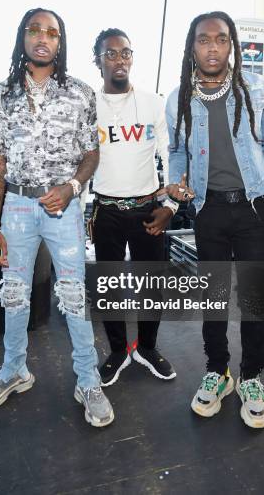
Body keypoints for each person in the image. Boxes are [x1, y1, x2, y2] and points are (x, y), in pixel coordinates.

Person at [0, 8, 114, 427]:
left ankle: (87, 380)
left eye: (51, 32)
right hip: (15, 208)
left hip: (64, 207)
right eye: (35, 30)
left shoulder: (80, 93)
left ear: (60, 42)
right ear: (23, 38)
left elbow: (92, 152)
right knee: (14, 295)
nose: (42, 37)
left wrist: (71, 186)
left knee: (73, 295)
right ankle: (14, 370)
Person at [166, 11, 264, 429]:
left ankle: (252, 377)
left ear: (232, 46)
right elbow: (177, 152)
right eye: (204, 40)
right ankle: (218, 372)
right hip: (208, 210)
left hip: (255, 208)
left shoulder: (256, 90)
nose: (213, 48)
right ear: (192, 47)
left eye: (221, 39)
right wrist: (175, 182)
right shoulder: (179, 98)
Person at [91, 28, 177, 386]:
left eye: (125, 53)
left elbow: (171, 155)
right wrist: (82, 211)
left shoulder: (152, 103)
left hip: (147, 209)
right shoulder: (89, 106)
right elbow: (80, 160)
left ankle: (146, 348)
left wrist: (170, 204)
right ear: (97, 61)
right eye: (110, 54)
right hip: (106, 210)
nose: (120, 59)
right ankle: (117, 351)